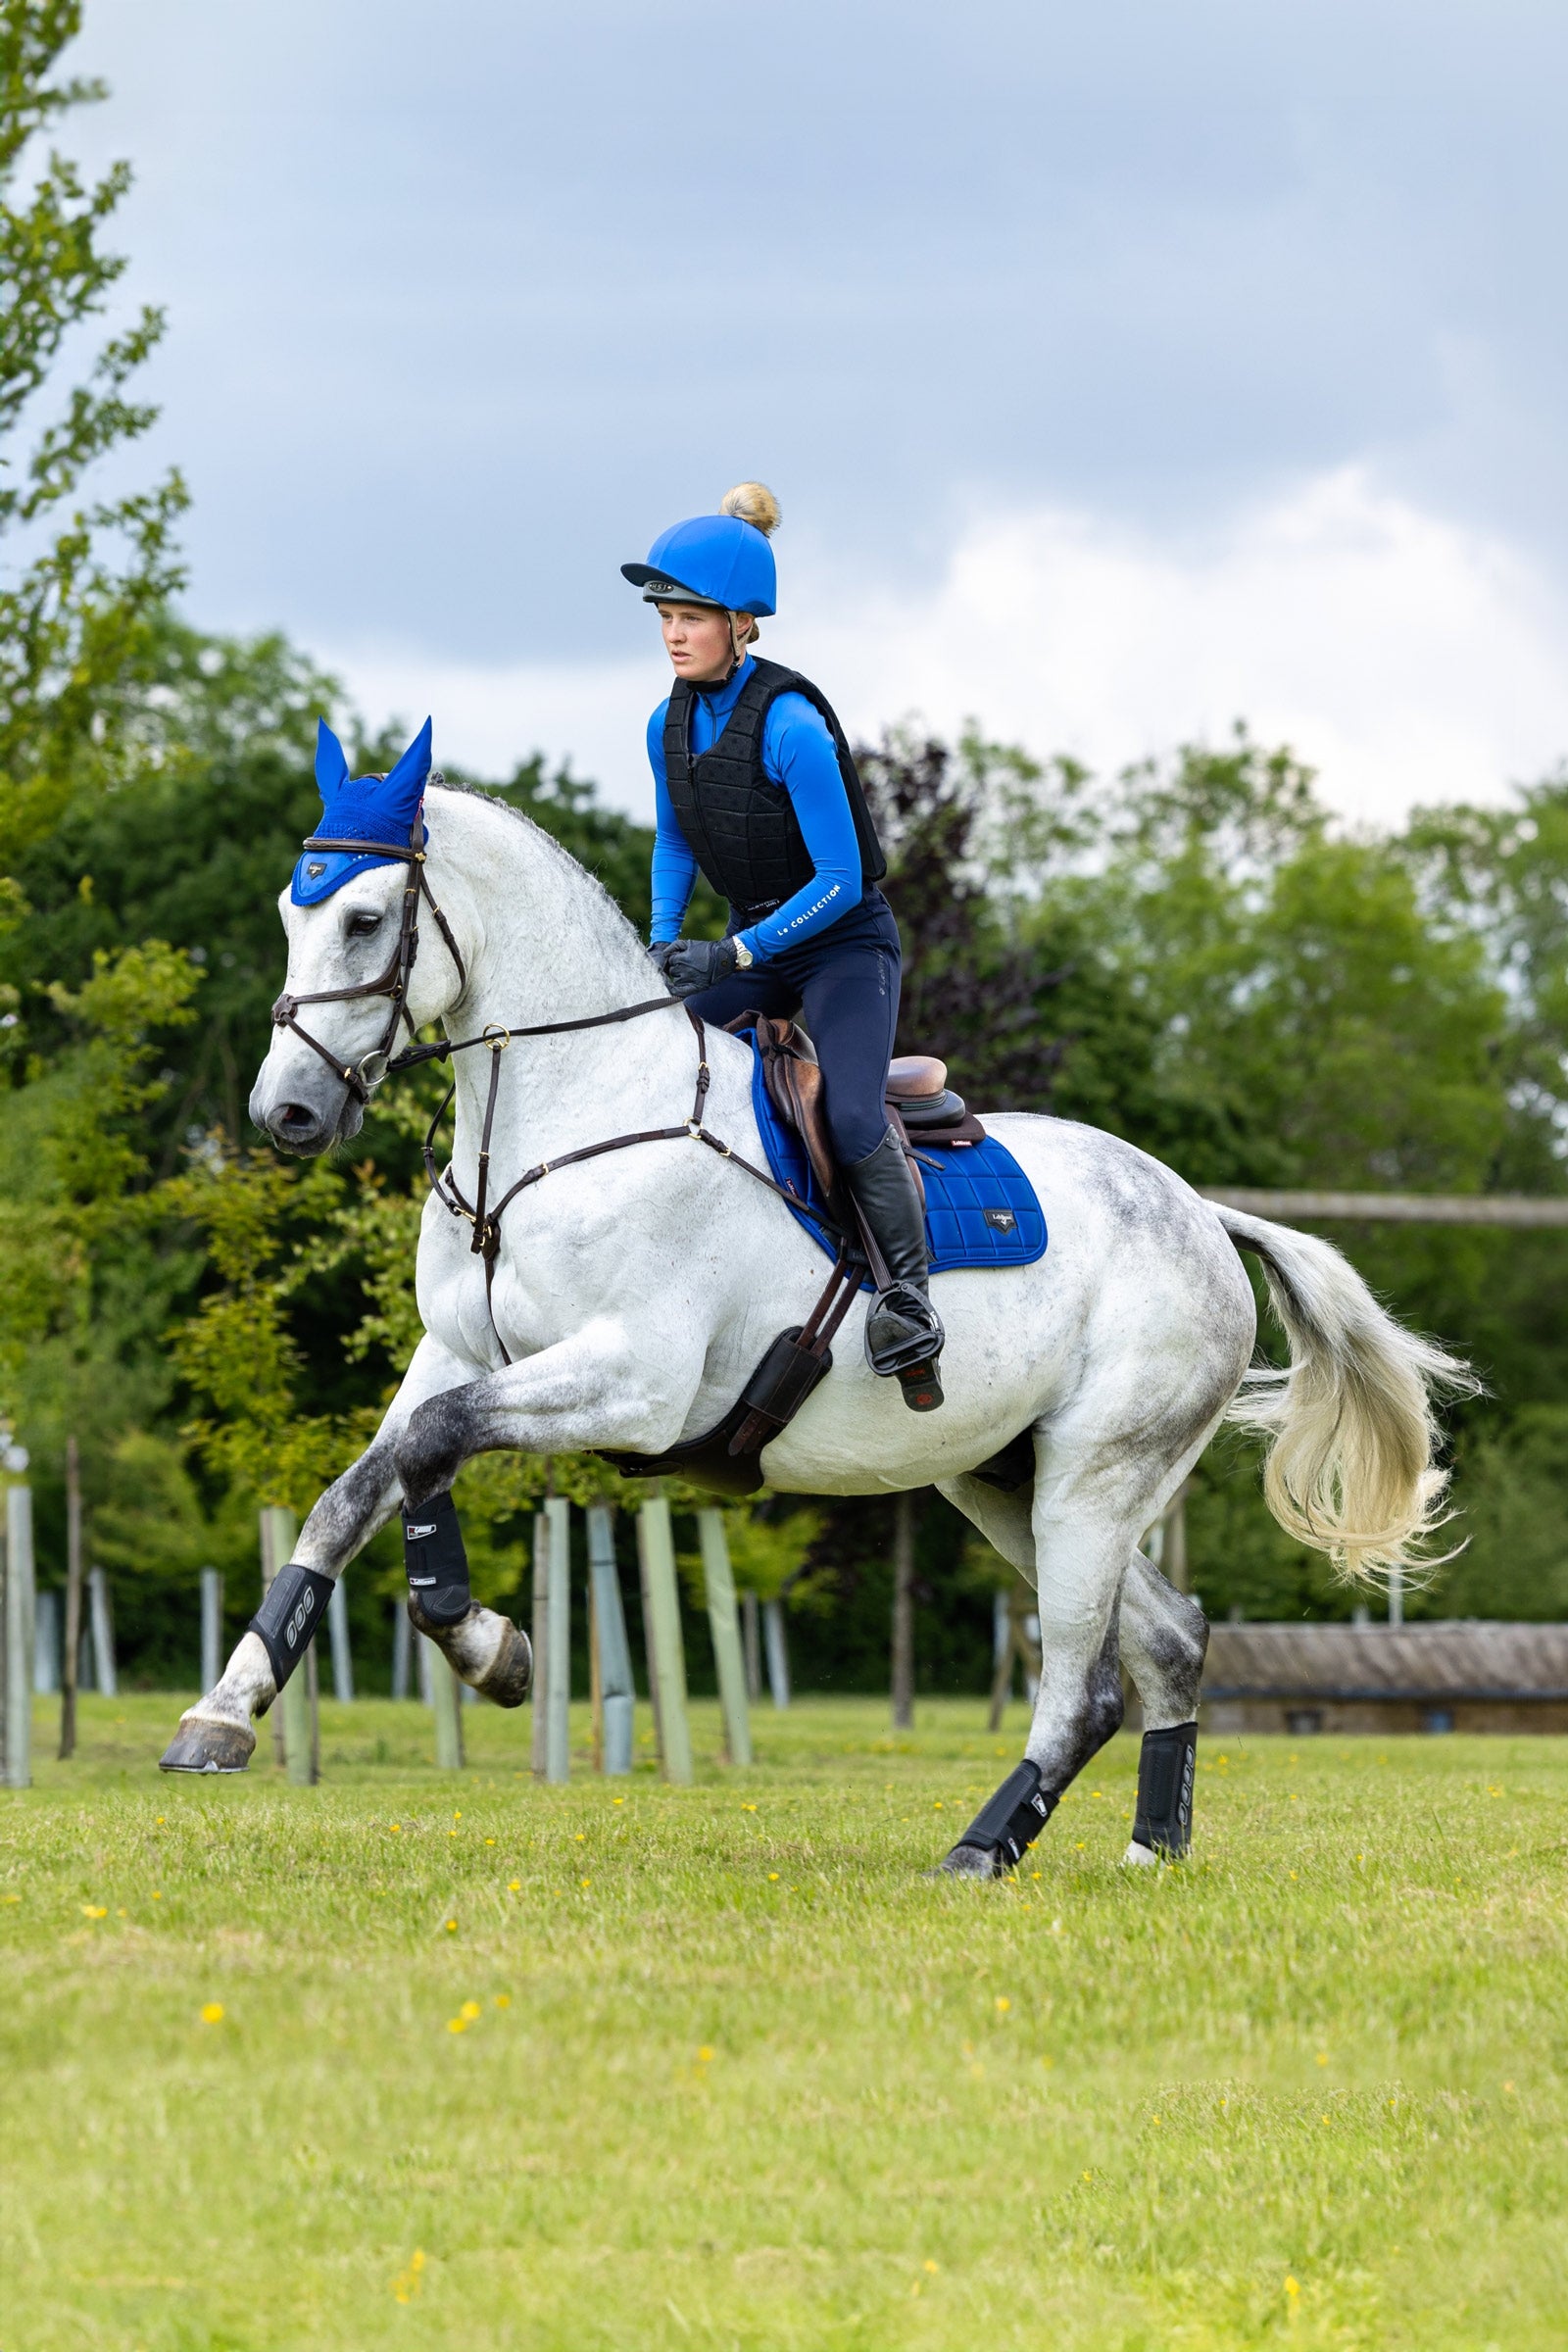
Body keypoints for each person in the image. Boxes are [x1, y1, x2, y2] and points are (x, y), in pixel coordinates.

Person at [622, 481, 946, 1408]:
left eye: (690, 617)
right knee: (658, 1063)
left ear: (741, 625)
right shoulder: (666, 723)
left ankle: (907, 1300)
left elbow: (842, 881)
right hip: (751, 948)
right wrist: (662, 944)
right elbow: (677, 838)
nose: (674, 634)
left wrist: (733, 956)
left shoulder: (794, 727)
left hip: (842, 948)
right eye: (665, 617)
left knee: (846, 1117)